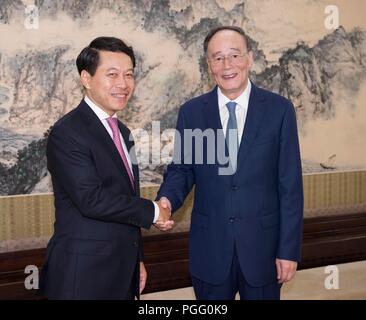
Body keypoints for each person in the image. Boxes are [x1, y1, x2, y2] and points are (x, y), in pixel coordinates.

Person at [156, 26, 304, 300]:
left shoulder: (279, 110)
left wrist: (288, 250)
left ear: (249, 58)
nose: (227, 66)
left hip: (264, 252)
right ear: (209, 64)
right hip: (210, 250)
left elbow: (290, 186)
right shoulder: (192, 112)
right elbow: (183, 169)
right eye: (218, 57)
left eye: (235, 56)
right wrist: (166, 199)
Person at [39, 36, 173, 300]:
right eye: (112, 75)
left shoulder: (122, 132)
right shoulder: (67, 132)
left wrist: (137, 258)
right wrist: (155, 211)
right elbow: (92, 199)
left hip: (121, 271)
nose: (123, 84)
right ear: (86, 79)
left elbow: (126, 199)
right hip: (82, 276)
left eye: (128, 75)